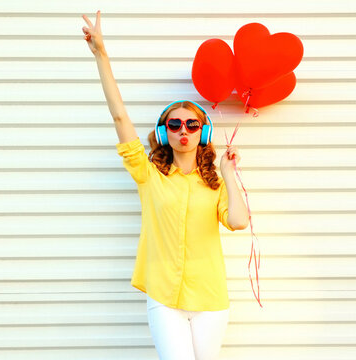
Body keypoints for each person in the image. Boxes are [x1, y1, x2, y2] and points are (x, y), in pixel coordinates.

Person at [82, 11, 250, 360]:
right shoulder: (149, 175)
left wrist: (229, 175)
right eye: (175, 124)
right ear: (164, 133)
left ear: (203, 132)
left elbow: (238, 221)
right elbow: (119, 117)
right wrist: (101, 54)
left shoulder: (214, 183)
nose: (183, 131)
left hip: (210, 302)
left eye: (192, 124)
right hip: (164, 299)